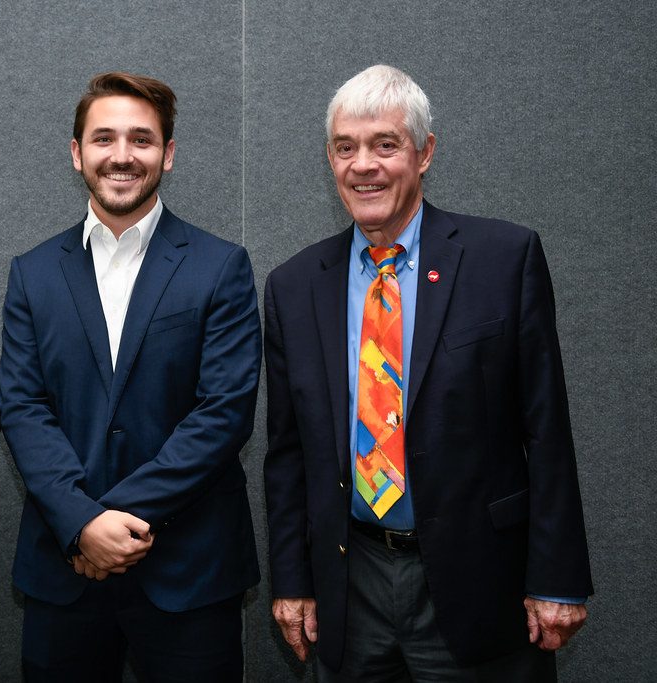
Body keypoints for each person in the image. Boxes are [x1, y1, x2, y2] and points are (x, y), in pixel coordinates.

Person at [263, 65, 592, 681]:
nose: (364, 164)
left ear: (425, 152)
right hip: (349, 585)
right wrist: (292, 580)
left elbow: (547, 431)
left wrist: (558, 578)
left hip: (476, 585)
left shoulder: (504, 259)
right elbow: (287, 454)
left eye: (385, 144)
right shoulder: (294, 286)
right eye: (345, 147)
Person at [0, 72, 262, 681]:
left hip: (189, 574)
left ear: (168, 154)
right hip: (63, 575)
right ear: (77, 153)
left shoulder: (221, 267)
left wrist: (107, 520)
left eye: (141, 140)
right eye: (104, 139)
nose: (122, 156)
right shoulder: (33, 274)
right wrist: (81, 524)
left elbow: (223, 413)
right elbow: (22, 408)